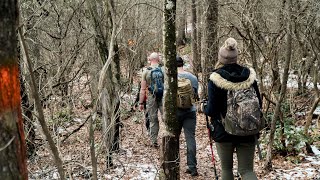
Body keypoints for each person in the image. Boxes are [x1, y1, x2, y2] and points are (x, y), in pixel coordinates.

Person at [203, 38, 262, 180]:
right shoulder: (249, 76)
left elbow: (212, 110)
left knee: (226, 170)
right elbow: (259, 102)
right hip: (248, 129)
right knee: (247, 170)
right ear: (236, 57)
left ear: (220, 58)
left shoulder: (215, 78)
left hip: (223, 131)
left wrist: (204, 107)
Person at [176, 56, 199, 176]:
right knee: (190, 138)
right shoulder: (193, 77)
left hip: (175, 112)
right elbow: (195, 95)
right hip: (190, 111)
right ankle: (192, 167)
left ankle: (174, 164)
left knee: (174, 138)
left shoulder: (170, 78)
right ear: (182, 64)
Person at [139, 52, 164, 148]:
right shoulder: (163, 70)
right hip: (163, 97)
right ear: (158, 59)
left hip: (151, 97)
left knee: (153, 120)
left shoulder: (145, 72)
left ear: (150, 60)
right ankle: (170, 138)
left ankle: (153, 141)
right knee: (165, 118)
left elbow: (142, 89)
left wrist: (141, 102)